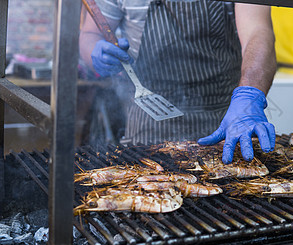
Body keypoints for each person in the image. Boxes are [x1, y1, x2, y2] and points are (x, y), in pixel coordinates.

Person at [79, 1, 277, 164]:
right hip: (149, 122)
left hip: (227, 123)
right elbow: (90, 34)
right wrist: (96, 52)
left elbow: (258, 33)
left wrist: (249, 94)